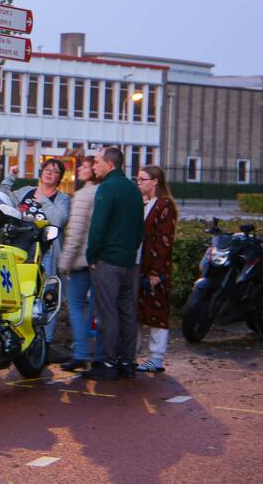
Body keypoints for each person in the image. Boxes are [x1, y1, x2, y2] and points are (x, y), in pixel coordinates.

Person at [83, 147, 145, 380]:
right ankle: (127, 362)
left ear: (109, 164)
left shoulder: (106, 188)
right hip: (129, 260)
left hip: (107, 261)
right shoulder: (133, 189)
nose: (94, 166)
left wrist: (92, 256)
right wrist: (130, 250)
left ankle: (108, 364)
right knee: (127, 312)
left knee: (107, 313)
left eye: (97, 162)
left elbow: (97, 228)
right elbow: (140, 228)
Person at [0, 158, 71, 357]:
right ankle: (20, 335)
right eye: (47, 169)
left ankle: (44, 344)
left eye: (55, 171)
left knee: (45, 295)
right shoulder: (25, 192)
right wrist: (10, 178)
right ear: (41, 172)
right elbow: (3, 199)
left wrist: (43, 200)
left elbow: (59, 220)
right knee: (21, 295)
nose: (49, 173)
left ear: (59, 177)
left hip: (46, 252)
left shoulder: (62, 198)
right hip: (21, 251)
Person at [57, 156, 103, 371]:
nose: (81, 169)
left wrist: (64, 262)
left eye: (84, 166)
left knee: (76, 305)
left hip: (82, 260)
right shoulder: (104, 192)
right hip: (101, 261)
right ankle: (101, 353)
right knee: (100, 309)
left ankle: (81, 352)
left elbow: (75, 233)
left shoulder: (84, 195)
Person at [136, 165, 178, 372]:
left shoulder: (164, 205)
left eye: (143, 179)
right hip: (140, 264)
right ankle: (132, 353)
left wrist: (156, 272)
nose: (139, 182)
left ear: (155, 181)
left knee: (156, 310)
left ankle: (156, 356)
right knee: (137, 309)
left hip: (154, 268)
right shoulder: (145, 203)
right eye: (138, 179)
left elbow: (164, 241)